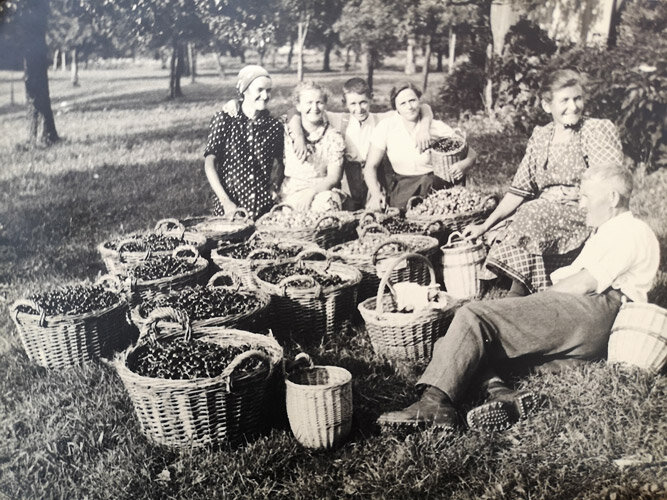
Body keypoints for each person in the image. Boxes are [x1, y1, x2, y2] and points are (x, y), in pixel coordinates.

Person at [378, 163, 659, 433]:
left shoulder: (630, 230)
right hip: (586, 320)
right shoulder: (610, 230)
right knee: (456, 344)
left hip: (593, 310)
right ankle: (502, 394)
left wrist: (531, 303)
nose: (581, 203)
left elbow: (586, 284)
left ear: (612, 197)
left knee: (473, 316)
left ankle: (434, 403)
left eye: (586, 196)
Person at [463, 68, 623, 297]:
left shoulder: (594, 130)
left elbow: (610, 183)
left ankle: (517, 295)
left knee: (531, 213)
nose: (574, 106)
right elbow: (519, 189)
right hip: (543, 213)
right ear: (547, 106)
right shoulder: (541, 136)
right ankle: (522, 291)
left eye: (578, 98)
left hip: (581, 212)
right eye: (565, 100)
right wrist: (484, 225)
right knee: (503, 229)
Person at [289, 78, 435, 211]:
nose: (359, 109)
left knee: (376, 213)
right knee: (349, 216)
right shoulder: (339, 120)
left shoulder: (383, 119)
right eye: (353, 104)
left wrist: (424, 128)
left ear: (371, 99)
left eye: (363, 102)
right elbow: (294, 111)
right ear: (344, 103)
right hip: (349, 182)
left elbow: (424, 107)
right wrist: (299, 136)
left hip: (376, 179)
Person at [364, 82, 477, 211]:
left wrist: (465, 164)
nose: (410, 107)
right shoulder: (387, 127)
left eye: (412, 100)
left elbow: (470, 152)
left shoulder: (435, 127)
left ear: (419, 101)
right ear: (396, 109)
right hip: (403, 187)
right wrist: (375, 193)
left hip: (435, 185)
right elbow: (370, 166)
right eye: (403, 103)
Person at [203, 65, 284, 219]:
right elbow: (209, 163)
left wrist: (275, 187)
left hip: (263, 208)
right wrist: (225, 201)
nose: (265, 96)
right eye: (259, 90)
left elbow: (282, 162)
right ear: (244, 90)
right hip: (231, 207)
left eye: (268, 90)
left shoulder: (274, 126)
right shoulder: (225, 119)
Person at [279, 81, 346, 212]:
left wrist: (311, 193)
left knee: (326, 208)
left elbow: (334, 177)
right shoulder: (287, 131)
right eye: (309, 103)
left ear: (325, 104)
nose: (314, 108)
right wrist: (298, 137)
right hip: (292, 191)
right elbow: (289, 113)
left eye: (319, 102)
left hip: (322, 190)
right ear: (298, 105)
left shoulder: (333, 137)